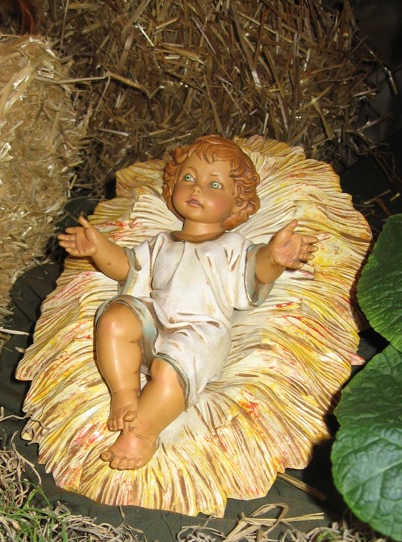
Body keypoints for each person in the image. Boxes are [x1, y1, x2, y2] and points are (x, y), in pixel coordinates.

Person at [58, 135, 320, 471]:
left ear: (237, 204)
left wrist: (276, 257)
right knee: (113, 317)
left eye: (214, 184)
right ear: (172, 187)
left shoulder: (233, 245)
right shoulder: (161, 242)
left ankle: (141, 433)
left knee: (168, 369)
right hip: (154, 320)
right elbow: (127, 266)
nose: (197, 189)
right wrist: (98, 248)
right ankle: (124, 392)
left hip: (200, 332)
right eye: (188, 178)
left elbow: (257, 270)